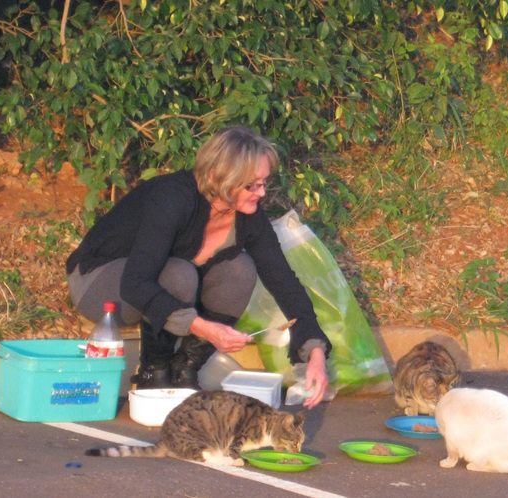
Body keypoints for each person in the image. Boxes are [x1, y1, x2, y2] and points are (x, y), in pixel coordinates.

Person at [66, 126, 332, 409]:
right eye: (251, 185)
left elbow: (284, 281)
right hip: (101, 285)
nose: (262, 193)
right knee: (179, 273)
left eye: (264, 182)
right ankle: (153, 372)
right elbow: (136, 283)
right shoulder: (172, 199)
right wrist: (205, 328)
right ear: (217, 178)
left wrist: (315, 350)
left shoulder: (248, 216)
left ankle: (185, 369)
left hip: (159, 283)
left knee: (240, 270)